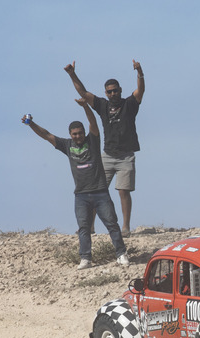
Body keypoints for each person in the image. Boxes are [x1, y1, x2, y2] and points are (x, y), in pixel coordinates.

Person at [22, 100, 129, 270]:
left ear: (84, 133)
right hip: (81, 195)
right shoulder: (67, 145)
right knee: (84, 228)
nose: (77, 136)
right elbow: (47, 135)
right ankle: (85, 258)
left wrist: (85, 106)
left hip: (100, 192)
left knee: (112, 224)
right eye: (74, 134)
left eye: (80, 133)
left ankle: (121, 254)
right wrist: (31, 124)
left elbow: (93, 123)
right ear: (70, 134)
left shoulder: (92, 141)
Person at [65, 60, 145, 236]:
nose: (113, 93)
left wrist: (139, 72)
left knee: (123, 190)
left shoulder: (129, 105)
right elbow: (83, 93)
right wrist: (72, 74)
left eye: (115, 90)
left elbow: (140, 91)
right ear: (106, 93)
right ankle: (89, 227)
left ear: (120, 90)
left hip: (126, 156)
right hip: (107, 155)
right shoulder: (102, 105)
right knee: (95, 190)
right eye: (109, 91)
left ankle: (125, 227)